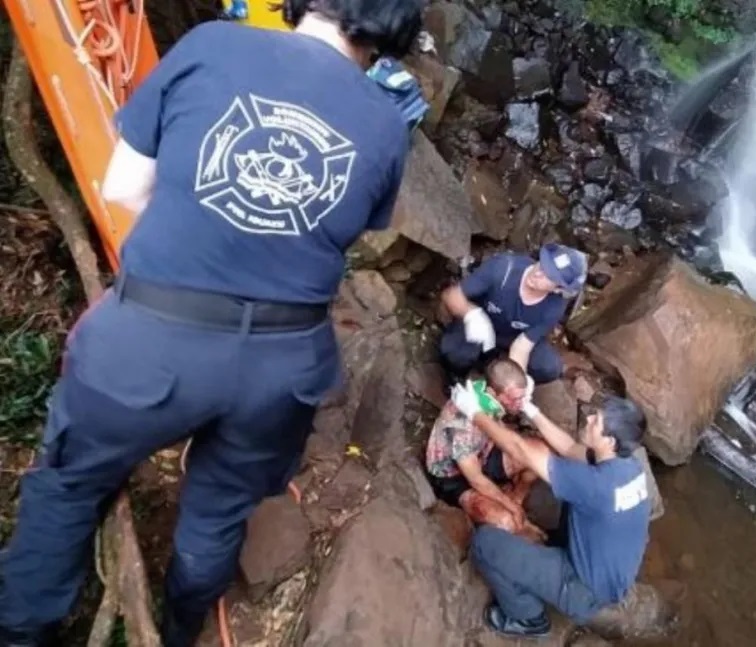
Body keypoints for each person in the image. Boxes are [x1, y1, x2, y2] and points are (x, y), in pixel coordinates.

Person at [0, 1, 424, 645]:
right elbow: (337, 231)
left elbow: (122, 187)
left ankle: (21, 629)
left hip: (154, 339)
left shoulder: (213, 46)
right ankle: (179, 629)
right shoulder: (387, 127)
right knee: (220, 512)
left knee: (69, 483)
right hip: (283, 365)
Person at [447, 382, 651, 639]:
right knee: (574, 496)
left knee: (484, 543)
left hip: (584, 591)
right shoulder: (628, 466)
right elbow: (567, 448)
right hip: (609, 574)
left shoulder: (595, 485)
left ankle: (528, 618)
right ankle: (556, 552)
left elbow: (519, 449)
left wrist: (474, 411)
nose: (588, 419)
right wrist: (530, 410)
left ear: (609, 441)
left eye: (596, 421)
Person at [424, 359, 546, 543]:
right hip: (455, 476)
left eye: (522, 397)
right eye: (514, 399)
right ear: (492, 392)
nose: (519, 404)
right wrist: (511, 508)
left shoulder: (489, 395)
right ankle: (511, 511)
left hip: (485, 451)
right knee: (505, 522)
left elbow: (501, 429)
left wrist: (514, 503)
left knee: (540, 453)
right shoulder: (461, 422)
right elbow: (475, 479)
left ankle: (516, 498)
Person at [439, 243, 587, 386]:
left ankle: (495, 374)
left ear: (558, 288)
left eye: (548, 276)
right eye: (542, 265)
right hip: (478, 326)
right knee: (456, 353)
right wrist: (471, 315)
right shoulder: (504, 268)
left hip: (511, 339)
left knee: (549, 368)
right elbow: (451, 295)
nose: (537, 273)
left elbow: (522, 346)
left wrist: (518, 384)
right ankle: (458, 377)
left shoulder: (554, 306)